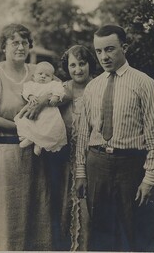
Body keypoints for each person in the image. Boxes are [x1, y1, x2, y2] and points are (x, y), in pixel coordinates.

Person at [75, 25, 154, 251]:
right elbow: (84, 135)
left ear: (124, 47)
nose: (104, 56)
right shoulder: (93, 87)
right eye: (99, 51)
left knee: (135, 235)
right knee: (100, 236)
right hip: (97, 165)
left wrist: (150, 179)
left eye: (110, 49)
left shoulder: (144, 83)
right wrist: (81, 172)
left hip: (131, 167)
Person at [0, 23, 53, 250]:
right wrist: (23, 129)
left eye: (24, 42)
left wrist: (45, 99)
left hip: (32, 158)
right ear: (4, 47)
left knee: (33, 218)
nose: (20, 47)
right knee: (5, 221)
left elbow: (62, 91)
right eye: (14, 42)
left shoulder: (37, 71)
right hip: (2, 158)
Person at [59, 45, 96, 250]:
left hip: (91, 165)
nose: (78, 69)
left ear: (90, 64)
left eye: (82, 64)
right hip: (63, 165)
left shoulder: (98, 87)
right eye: (73, 65)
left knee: (88, 216)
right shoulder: (62, 90)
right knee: (63, 212)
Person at [14, 61, 67, 156]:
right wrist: (30, 96)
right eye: (40, 74)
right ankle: (29, 138)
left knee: (48, 128)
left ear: (52, 78)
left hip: (48, 112)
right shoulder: (31, 84)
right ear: (34, 76)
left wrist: (56, 96)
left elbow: (59, 89)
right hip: (33, 110)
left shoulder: (52, 84)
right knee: (27, 123)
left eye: (47, 75)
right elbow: (25, 91)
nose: (43, 76)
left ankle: (39, 144)